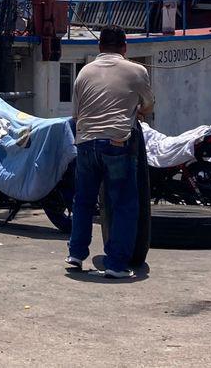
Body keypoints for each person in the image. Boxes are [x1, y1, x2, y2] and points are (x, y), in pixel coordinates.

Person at [67, 25, 154, 278]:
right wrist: (135, 109)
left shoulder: (83, 72)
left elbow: (75, 114)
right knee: (124, 204)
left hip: (85, 142)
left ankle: (76, 254)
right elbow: (148, 105)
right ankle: (116, 265)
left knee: (83, 201)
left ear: (99, 47)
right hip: (117, 143)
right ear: (125, 48)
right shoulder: (137, 70)